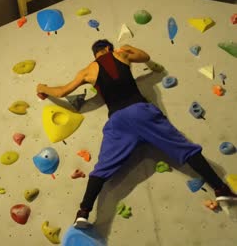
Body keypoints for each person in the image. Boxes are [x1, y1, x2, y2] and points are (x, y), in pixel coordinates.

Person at [36, 39, 237, 229]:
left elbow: (62, 91)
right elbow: (144, 56)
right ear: (108, 48)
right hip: (140, 111)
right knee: (184, 149)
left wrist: (42, 88)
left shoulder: (87, 71)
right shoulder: (121, 52)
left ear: (95, 53)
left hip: (117, 121)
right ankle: (220, 189)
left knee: (102, 168)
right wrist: (136, 55)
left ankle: (83, 212)